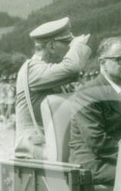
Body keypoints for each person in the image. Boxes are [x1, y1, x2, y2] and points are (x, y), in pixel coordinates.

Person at [68, 38, 121, 187]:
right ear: (103, 63)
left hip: (117, 159)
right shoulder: (88, 93)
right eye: (120, 59)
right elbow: (97, 140)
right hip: (94, 164)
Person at [14, 17, 92, 157]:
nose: (70, 51)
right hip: (34, 147)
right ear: (51, 47)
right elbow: (72, 68)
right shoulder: (33, 69)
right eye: (68, 45)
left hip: (50, 143)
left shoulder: (47, 71)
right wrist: (77, 46)